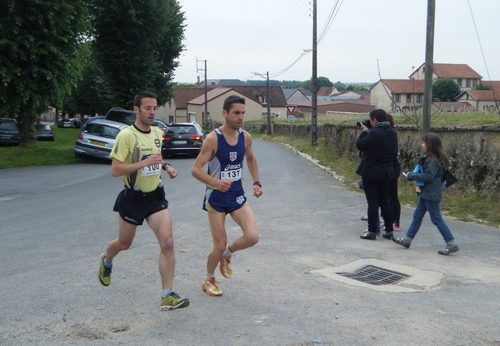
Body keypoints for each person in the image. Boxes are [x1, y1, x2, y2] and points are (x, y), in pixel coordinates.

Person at [98, 91, 189, 310]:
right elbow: (116, 169)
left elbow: (156, 158)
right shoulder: (126, 136)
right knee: (124, 243)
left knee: (167, 242)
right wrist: (145, 162)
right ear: (136, 109)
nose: (152, 112)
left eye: (155, 108)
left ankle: (167, 295)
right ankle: (107, 261)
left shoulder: (157, 132)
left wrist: (166, 167)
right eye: (147, 108)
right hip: (133, 198)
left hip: (155, 197)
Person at [191, 95, 263, 297]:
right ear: (225, 114)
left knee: (252, 237)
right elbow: (196, 169)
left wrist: (256, 182)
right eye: (236, 113)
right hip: (216, 198)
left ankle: (227, 254)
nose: (240, 117)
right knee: (218, 244)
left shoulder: (245, 137)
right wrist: (215, 182)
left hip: (237, 195)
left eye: (242, 113)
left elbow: (250, 158)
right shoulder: (213, 139)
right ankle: (208, 279)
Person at [393, 133, 459, 255]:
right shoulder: (431, 159)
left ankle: (451, 243)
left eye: (423, 142)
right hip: (427, 193)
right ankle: (407, 240)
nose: (422, 144)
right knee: (417, 216)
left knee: (436, 219)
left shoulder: (433, 161)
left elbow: (428, 176)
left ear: (429, 145)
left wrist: (411, 176)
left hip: (431, 194)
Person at [356, 109, 398, 240]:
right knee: (385, 201)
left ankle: (372, 231)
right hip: (386, 171)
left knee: (373, 202)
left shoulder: (374, 133)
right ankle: (389, 230)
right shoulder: (393, 133)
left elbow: (360, 145)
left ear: (374, 120)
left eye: (371, 120)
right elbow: (394, 152)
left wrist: (364, 131)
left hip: (372, 172)